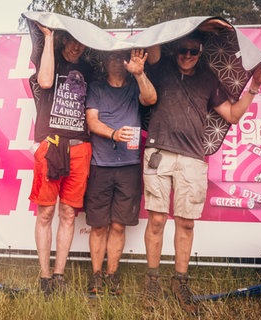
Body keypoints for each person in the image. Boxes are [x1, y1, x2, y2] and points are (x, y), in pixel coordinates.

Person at [142, 27, 261, 314]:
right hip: (158, 153)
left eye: (193, 51)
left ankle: (180, 283)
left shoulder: (208, 79)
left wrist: (255, 85)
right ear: (175, 49)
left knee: (186, 223)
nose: (187, 55)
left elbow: (234, 116)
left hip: (193, 158)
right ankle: (152, 283)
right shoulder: (160, 67)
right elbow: (152, 46)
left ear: (201, 53)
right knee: (157, 220)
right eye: (183, 50)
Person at [84, 49, 156, 296]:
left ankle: (112, 276)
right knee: (99, 226)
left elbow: (151, 99)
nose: (116, 62)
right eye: (112, 58)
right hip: (100, 165)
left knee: (118, 226)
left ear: (126, 62)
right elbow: (91, 121)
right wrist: (113, 134)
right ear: (105, 62)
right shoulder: (96, 87)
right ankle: (95, 277)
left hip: (128, 166)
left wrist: (140, 74)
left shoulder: (135, 86)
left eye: (120, 58)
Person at [29, 24, 93, 295]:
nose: (76, 46)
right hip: (52, 144)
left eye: (82, 42)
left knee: (68, 213)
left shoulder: (92, 70)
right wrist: (49, 37)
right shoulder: (51, 62)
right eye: (71, 41)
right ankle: (44, 276)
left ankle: (59, 275)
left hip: (80, 148)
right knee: (45, 212)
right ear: (63, 40)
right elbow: (44, 81)